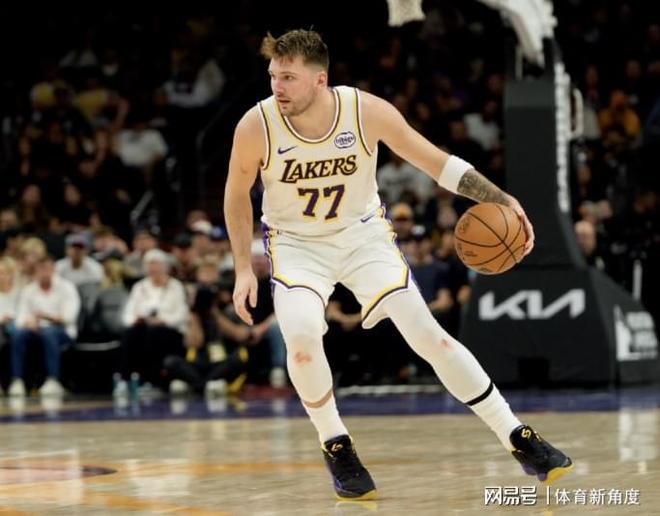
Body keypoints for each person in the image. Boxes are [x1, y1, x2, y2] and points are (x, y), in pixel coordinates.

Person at [224, 29, 571, 501]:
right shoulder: (256, 124)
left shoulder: (365, 112)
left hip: (363, 236)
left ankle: (516, 435)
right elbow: (236, 194)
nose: (276, 87)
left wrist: (503, 199)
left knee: (429, 336)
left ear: (320, 79)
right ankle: (336, 443)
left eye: (288, 77)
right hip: (297, 245)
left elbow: (438, 164)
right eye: (273, 76)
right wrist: (243, 268)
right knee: (301, 338)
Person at [9, 255, 80, 397]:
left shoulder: (67, 287)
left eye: (47, 269)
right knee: (18, 334)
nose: (44, 272)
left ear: (53, 269)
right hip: (35, 330)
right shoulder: (29, 290)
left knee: (49, 332)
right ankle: (17, 380)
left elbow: (68, 317)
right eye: (41, 269)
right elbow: (20, 318)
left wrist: (46, 317)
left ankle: (53, 380)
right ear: (36, 271)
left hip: (62, 331)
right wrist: (28, 322)